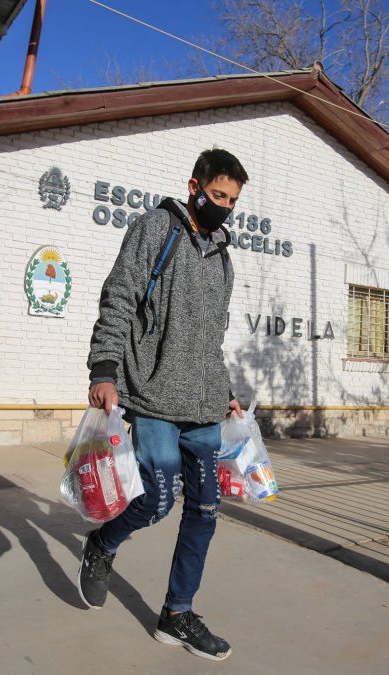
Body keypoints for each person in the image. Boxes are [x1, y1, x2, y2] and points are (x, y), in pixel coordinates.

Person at [78, 149, 247, 661]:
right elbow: (120, 297)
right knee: (155, 499)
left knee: (205, 510)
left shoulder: (222, 257)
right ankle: (103, 544)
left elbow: (209, 338)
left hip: (204, 404)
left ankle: (177, 614)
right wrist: (104, 369)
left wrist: (226, 391)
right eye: (218, 196)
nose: (225, 207)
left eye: (233, 201)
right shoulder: (155, 228)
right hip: (151, 395)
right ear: (194, 185)